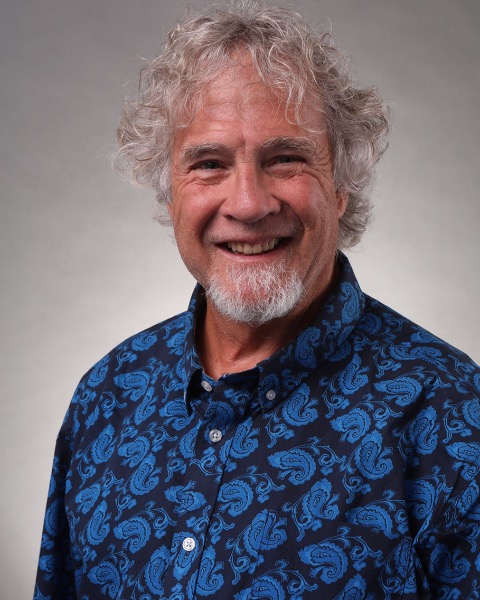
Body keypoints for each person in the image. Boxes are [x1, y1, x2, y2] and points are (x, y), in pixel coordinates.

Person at [34, 2, 480, 598]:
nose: (248, 204)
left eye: (286, 159)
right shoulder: (105, 398)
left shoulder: (451, 415)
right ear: (170, 194)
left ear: (341, 186)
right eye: (209, 164)